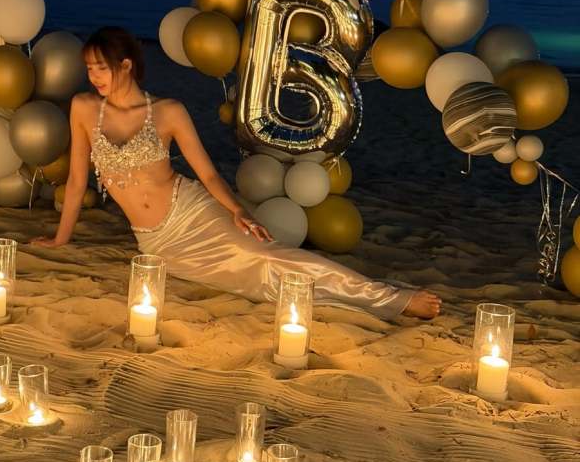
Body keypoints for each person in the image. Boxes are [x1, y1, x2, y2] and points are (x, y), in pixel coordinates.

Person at [32, 27, 441, 321]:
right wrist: (61, 238)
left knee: (267, 257)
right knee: (254, 285)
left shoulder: (168, 112)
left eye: (100, 69)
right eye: (89, 70)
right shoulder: (84, 108)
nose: (94, 78)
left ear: (125, 65)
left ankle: (390, 298)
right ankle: (370, 299)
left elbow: (209, 175)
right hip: (156, 244)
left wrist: (237, 211)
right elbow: (78, 181)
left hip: (191, 213)